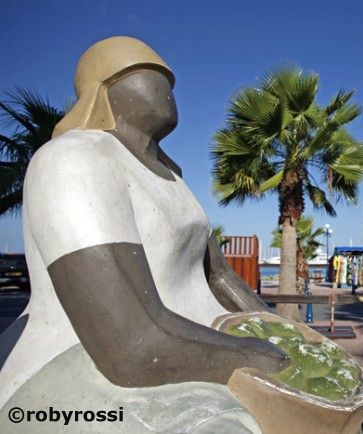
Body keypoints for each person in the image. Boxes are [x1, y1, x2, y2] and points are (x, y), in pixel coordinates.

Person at [0, 36, 288, 432]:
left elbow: (218, 276)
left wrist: (281, 335)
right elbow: (129, 344)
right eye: (146, 74)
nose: (164, 86)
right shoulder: (74, 159)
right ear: (105, 88)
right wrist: (257, 354)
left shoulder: (175, 179)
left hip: (203, 342)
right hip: (88, 358)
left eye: (167, 79)